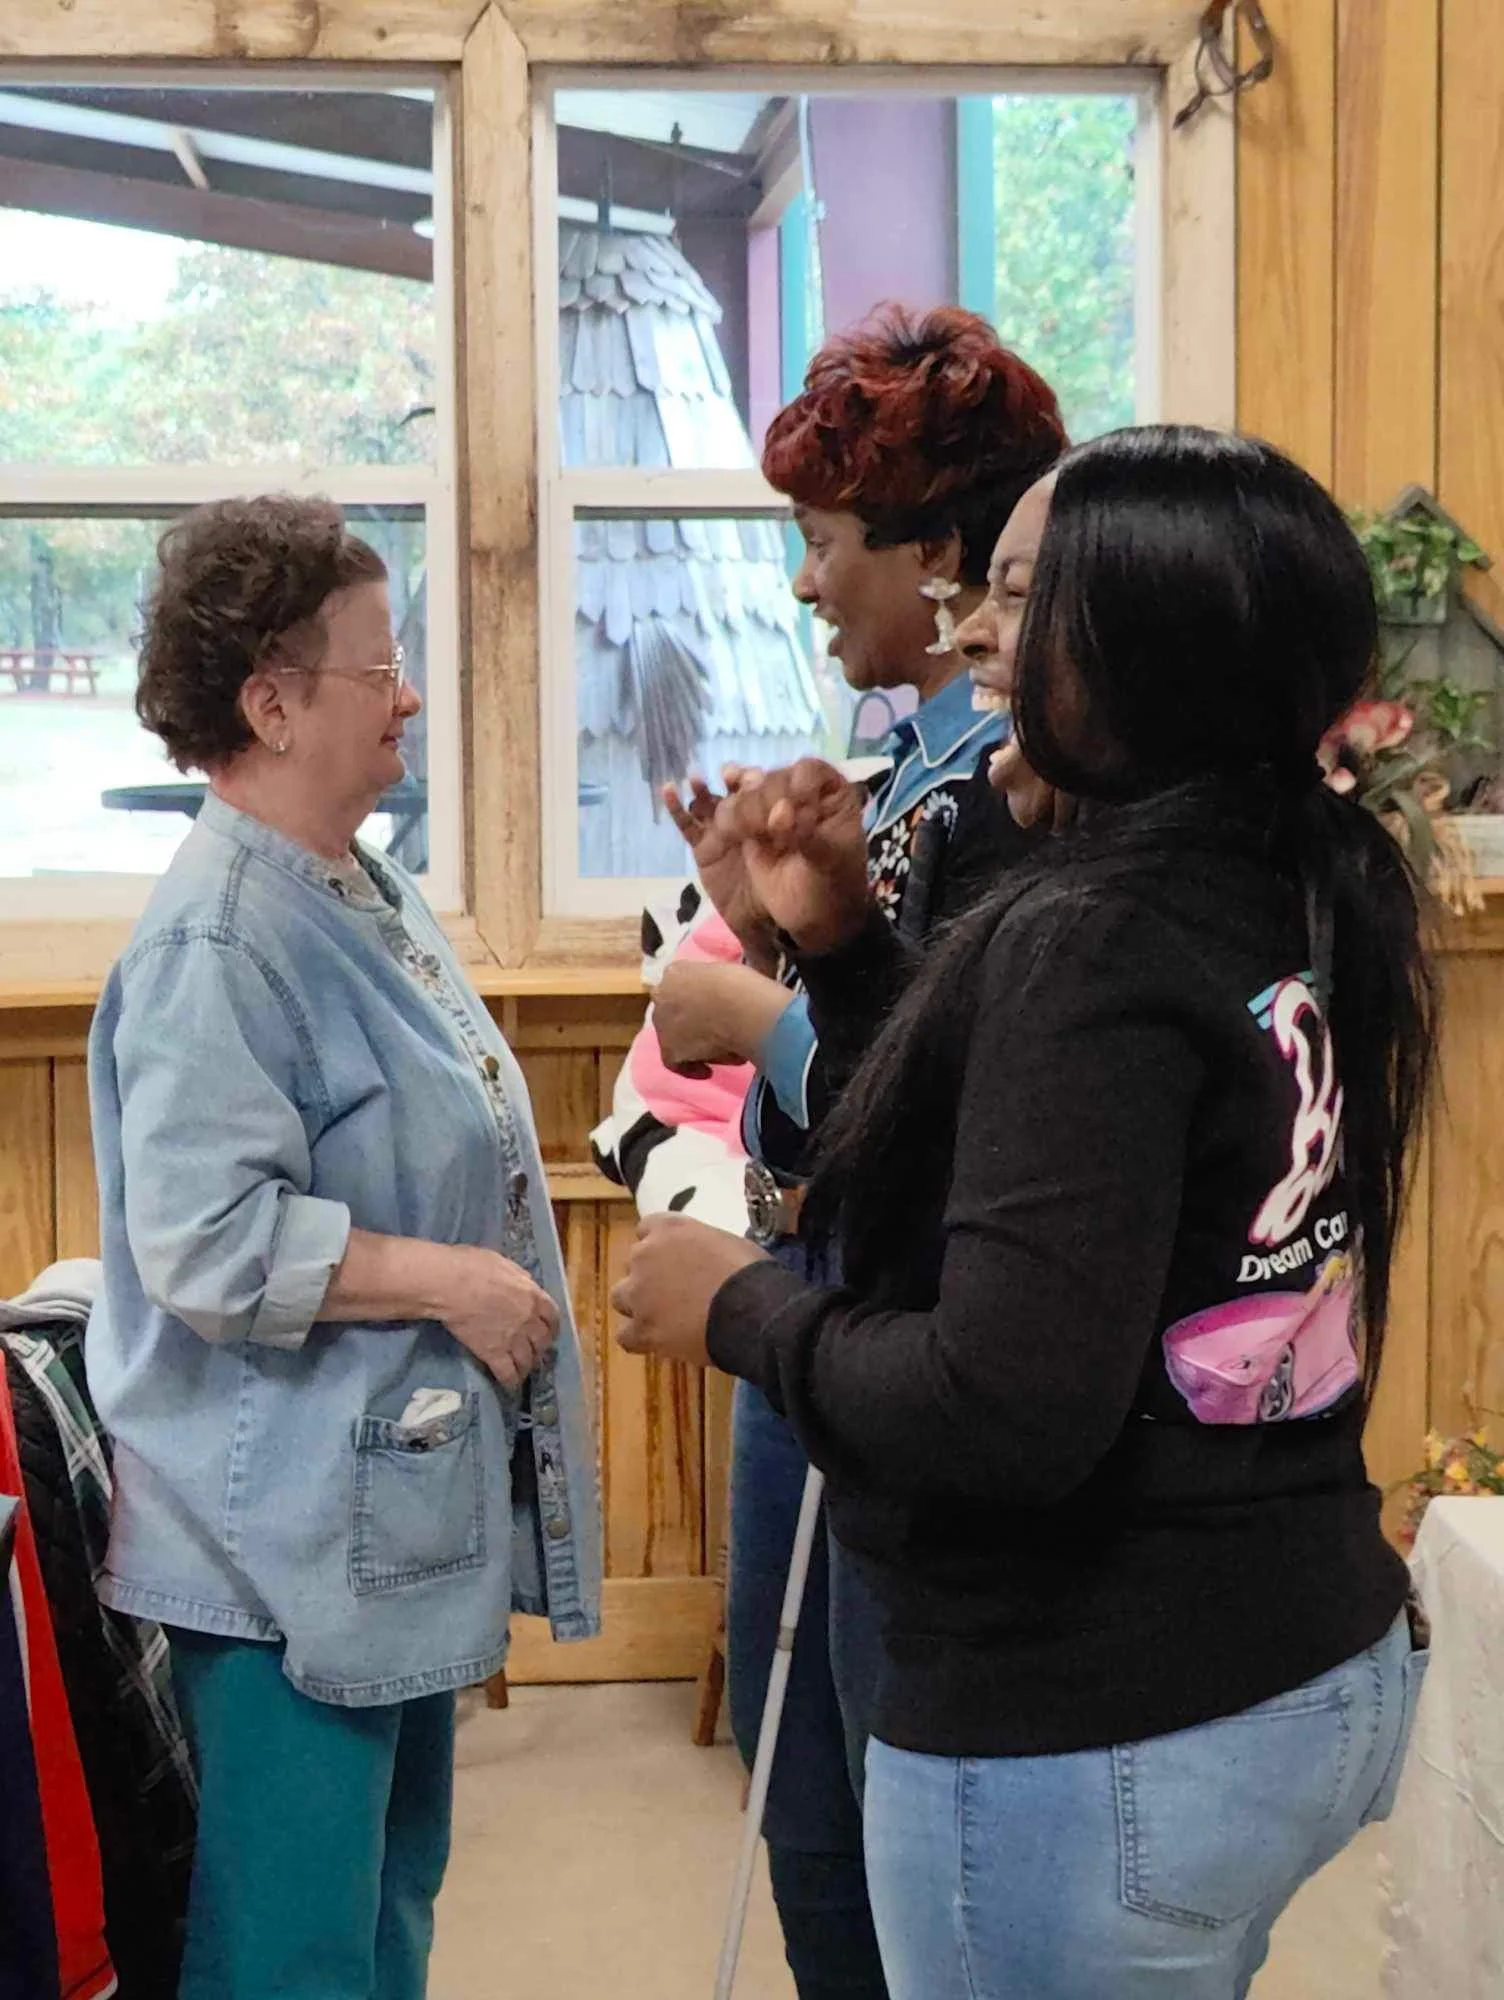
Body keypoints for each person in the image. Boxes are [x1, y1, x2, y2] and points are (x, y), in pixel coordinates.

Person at [614, 426, 1436, 2000]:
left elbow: (997, 1406)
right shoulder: (1305, 870)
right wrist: (848, 949)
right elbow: (1018, 1166)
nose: (970, 633)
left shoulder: (1090, 936)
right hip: (1294, 1657)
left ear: (1138, 647)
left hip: (1101, 1716)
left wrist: (740, 1304)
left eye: (1009, 596)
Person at [85, 496, 601, 2000]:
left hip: (374, 1518)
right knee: (294, 1951)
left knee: (385, 1913)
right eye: (381, 667)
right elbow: (207, 1238)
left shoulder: (356, 887)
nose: (411, 695)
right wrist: (457, 1281)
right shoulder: (216, 942)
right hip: (271, 1548)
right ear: (271, 701)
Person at [647, 305, 1064, 2000]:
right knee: (796, 1769)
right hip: (815, 1307)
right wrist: (771, 930)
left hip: (897, 1335)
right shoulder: (904, 776)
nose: (808, 585)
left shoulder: (1011, 795)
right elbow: (820, 1121)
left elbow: (927, 1116)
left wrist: (747, 1012)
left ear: (942, 555)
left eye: (826, 543)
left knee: (884, 1786)